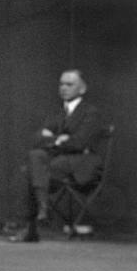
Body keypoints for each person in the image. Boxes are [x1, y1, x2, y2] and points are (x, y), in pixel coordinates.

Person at [10, 69, 105, 243]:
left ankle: (32, 225)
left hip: (82, 165)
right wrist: (60, 139)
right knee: (35, 157)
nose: (64, 88)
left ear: (82, 88)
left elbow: (79, 143)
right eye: (61, 84)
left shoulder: (91, 112)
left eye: (69, 84)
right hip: (56, 166)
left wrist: (52, 139)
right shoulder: (57, 113)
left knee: (30, 168)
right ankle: (42, 209)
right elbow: (37, 139)